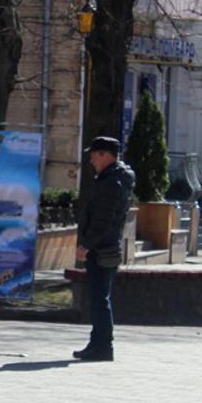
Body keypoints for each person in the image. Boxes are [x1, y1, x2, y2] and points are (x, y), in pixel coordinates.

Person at [74, 136, 136, 361]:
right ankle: (98, 344)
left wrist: (86, 245)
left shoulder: (112, 182)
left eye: (94, 155)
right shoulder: (112, 179)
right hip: (105, 247)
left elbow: (104, 220)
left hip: (102, 249)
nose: (91, 160)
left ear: (106, 155)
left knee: (100, 299)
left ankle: (102, 346)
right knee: (100, 298)